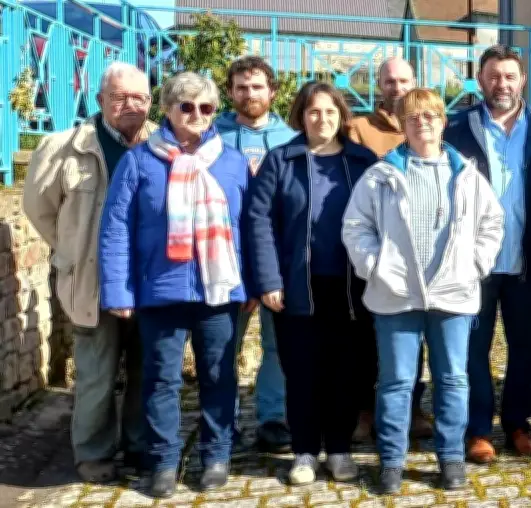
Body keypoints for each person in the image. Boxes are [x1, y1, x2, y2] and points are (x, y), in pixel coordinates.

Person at [343, 88, 504, 494]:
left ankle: (450, 458)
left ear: (442, 121)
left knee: (453, 378)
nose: (422, 123)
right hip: (396, 297)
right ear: (401, 123)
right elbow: (355, 226)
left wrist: (475, 265)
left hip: (453, 295)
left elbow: (492, 224)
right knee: (396, 381)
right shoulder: (381, 176)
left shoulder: (466, 175)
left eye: (430, 115)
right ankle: (393, 462)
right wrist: (376, 266)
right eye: (413, 117)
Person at [98, 72, 249, 497]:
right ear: (167, 110)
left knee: (219, 376)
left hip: (218, 290)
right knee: (160, 379)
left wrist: (251, 286)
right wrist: (118, 290)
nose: (196, 115)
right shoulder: (140, 160)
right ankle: (163, 461)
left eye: (205, 108)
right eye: (186, 106)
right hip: (160, 290)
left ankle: (216, 455)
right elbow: (116, 229)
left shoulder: (232, 161)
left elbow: (250, 228)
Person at [23, 62, 154, 483]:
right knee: (97, 372)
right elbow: (39, 208)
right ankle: (94, 456)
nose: (130, 105)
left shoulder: (163, 145)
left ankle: (139, 448)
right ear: (100, 101)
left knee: (145, 370)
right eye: (119, 97)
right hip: (91, 279)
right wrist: (72, 250)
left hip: (149, 281)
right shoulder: (63, 147)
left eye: (139, 98)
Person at [245, 82, 377, 485]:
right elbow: (258, 221)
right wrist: (268, 279)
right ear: (301, 115)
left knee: (345, 372)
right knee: (301, 371)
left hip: (351, 288)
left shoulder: (362, 160)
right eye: (314, 112)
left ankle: (338, 450)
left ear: (342, 115)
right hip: (295, 286)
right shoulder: (281, 160)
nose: (322, 119)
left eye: (330, 112)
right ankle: (304, 451)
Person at [444, 44, 531, 463]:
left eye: (510, 76)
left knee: (525, 347)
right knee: (474, 349)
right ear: (481, 81)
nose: (503, 84)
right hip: (473, 263)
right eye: (494, 76)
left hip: (527, 259)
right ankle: (477, 429)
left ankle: (517, 423)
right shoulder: (456, 128)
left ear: (522, 80)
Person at [348, 56, 434, 442]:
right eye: (389, 81)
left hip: (422, 259)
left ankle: (413, 408)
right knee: (367, 339)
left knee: (413, 343)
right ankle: (365, 410)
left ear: (414, 82)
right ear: (378, 86)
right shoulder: (359, 128)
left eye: (403, 80)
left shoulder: (426, 124)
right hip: (377, 257)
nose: (396, 87)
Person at [216, 56, 296, 453]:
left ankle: (273, 417)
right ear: (230, 92)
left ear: (273, 91)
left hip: (276, 260)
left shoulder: (291, 140)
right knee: (223, 345)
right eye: (242, 87)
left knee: (276, 345)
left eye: (258, 86)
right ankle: (223, 422)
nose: (250, 94)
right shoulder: (211, 137)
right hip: (224, 260)